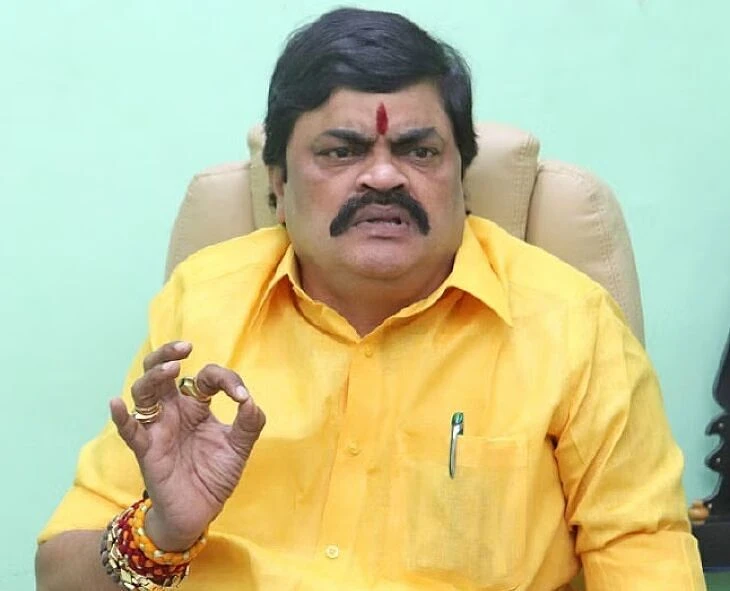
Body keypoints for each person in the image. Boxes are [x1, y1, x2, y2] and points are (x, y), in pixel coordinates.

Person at [35, 7, 705, 591]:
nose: (384, 176)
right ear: (278, 183)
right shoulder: (204, 303)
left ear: (462, 178)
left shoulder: (571, 324)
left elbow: (645, 556)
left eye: (419, 151)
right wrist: (160, 533)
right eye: (341, 151)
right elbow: (58, 572)